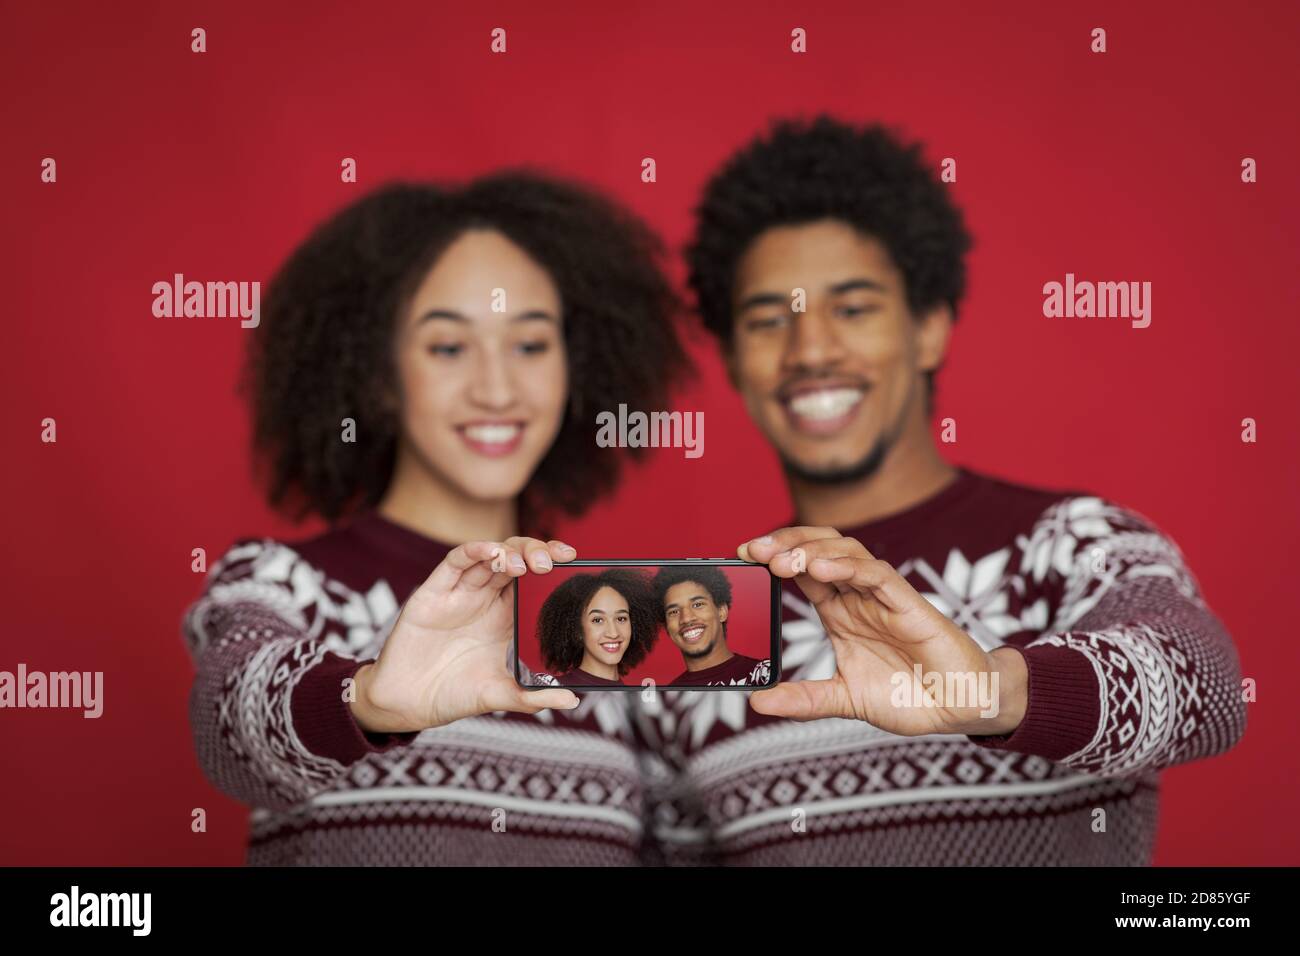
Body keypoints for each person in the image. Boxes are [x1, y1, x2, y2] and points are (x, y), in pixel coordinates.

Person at [631, 115, 1248, 865]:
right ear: (732, 361)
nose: (811, 349)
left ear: (930, 326)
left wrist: (993, 691)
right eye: (768, 321)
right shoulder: (705, 623)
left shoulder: (1072, 541)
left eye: (853, 308)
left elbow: (1209, 691)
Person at [181, 173, 686, 865]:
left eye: (531, 344)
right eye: (448, 347)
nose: (497, 387)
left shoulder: (618, 625)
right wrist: (367, 702)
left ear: (579, 367)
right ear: (379, 377)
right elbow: (228, 736)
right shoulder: (283, 582)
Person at [533, 570, 659, 686]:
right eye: (598, 620)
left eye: (621, 619)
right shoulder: (551, 691)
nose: (613, 633)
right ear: (577, 630)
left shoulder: (635, 699)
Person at [650, 565, 769, 686]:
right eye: (674, 612)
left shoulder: (766, 675)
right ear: (667, 627)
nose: (686, 618)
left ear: (722, 612)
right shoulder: (669, 697)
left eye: (698, 604)